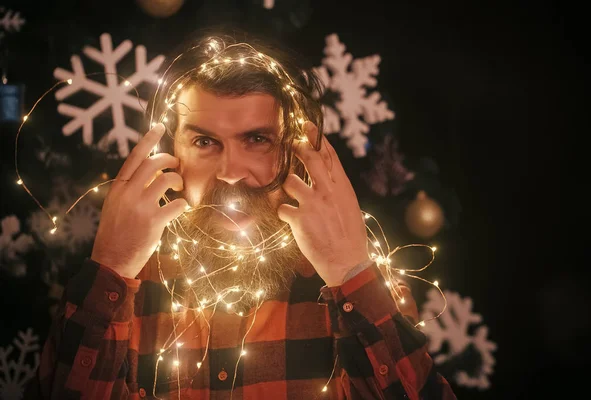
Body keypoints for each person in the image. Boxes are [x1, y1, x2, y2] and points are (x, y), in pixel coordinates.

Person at [26, 30, 456, 399]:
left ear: (296, 152)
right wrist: (111, 269)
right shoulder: (124, 290)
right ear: (170, 153)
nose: (230, 174)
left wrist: (350, 273)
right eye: (205, 143)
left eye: (257, 139)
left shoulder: (359, 287)